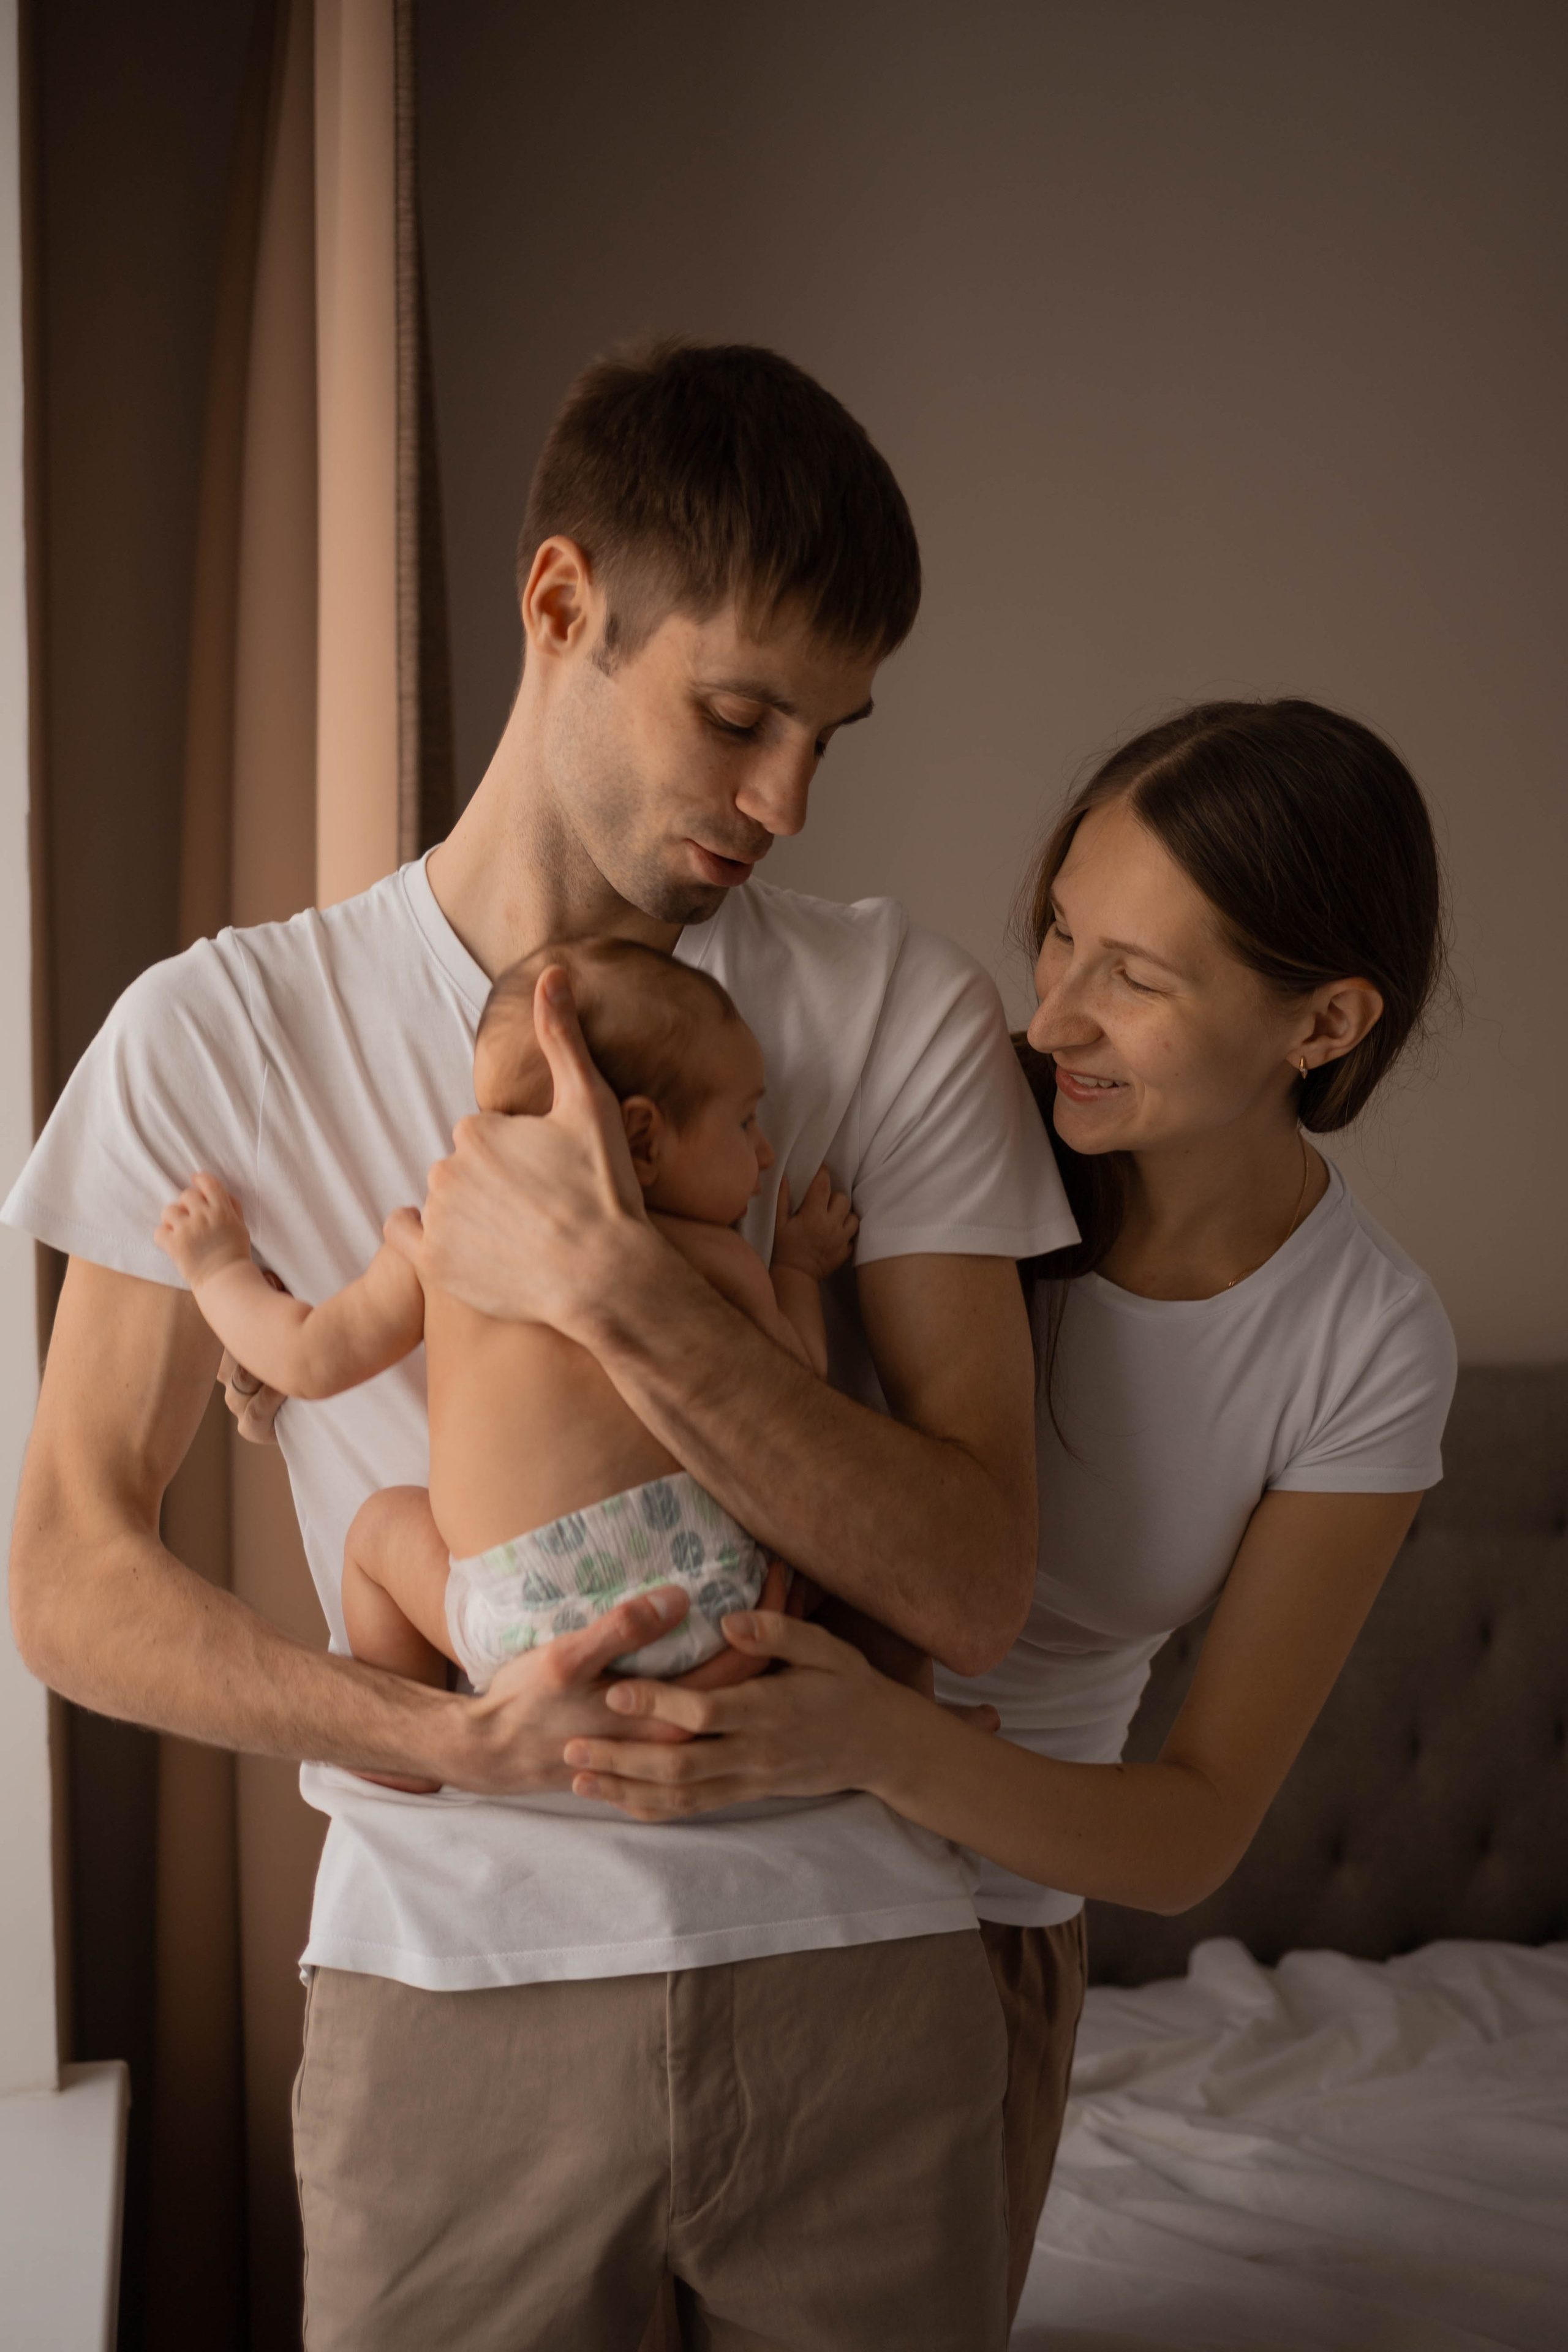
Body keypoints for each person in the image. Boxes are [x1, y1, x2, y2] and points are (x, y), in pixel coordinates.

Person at [6, 339, 1073, 2351]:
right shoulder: (218, 1036)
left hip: (858, 1972)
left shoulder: (891, 1016)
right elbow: (69, 1578)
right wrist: (443, 1735)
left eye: (829, 738)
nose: (787, 798)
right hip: (455, 1999)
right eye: (741, 715)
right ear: (562, 605)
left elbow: (972, 1581)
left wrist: (621, 1284)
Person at [535, 698, 1460, 2320]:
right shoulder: (955, 1126)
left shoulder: (1366, 1343)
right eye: (1059, 936)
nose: (1048, 1022)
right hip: (676, 1877)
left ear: (1325, 1025)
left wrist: (878, 1742)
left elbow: (1188, 1832)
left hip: (984, 1930)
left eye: (1135, 978)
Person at [153, 937, 862, 1696]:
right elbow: (803, 1388)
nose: (763, 1155)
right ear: (643, 1139)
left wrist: (219, 1268)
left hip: (521, 1627)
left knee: (376, 1534)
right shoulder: (714, 1261)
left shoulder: (441, 1241)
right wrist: (795, 1268)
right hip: (714, 1604)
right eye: (746, 1123)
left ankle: (414, 1729)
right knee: (857, 1552)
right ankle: (904, 1717)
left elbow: (306, 1359)